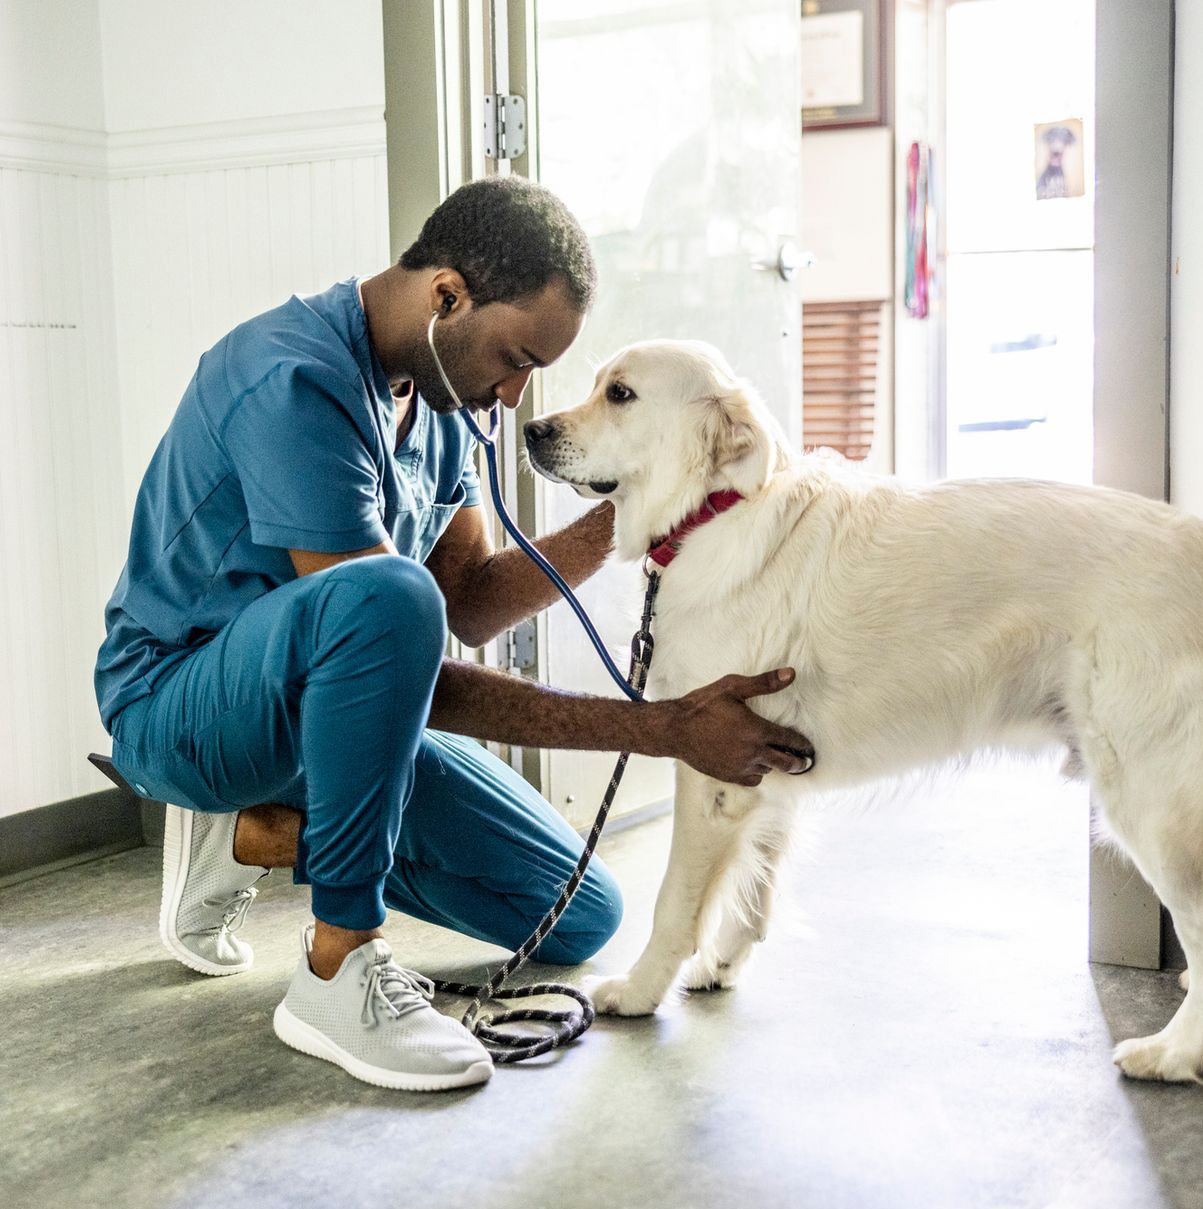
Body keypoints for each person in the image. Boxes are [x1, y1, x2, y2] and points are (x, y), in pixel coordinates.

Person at [96, 175, 812, 1092]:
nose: (514, 397)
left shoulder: (440, 404)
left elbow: (467, 599)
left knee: (577, 915)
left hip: (325, 726)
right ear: (447, 297)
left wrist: (640, 509)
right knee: (388, 599)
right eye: (514, 358)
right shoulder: (291, 381)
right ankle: (336, 966)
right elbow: (406, 643)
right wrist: (663, 728)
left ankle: (252, 834)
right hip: (181, 709)